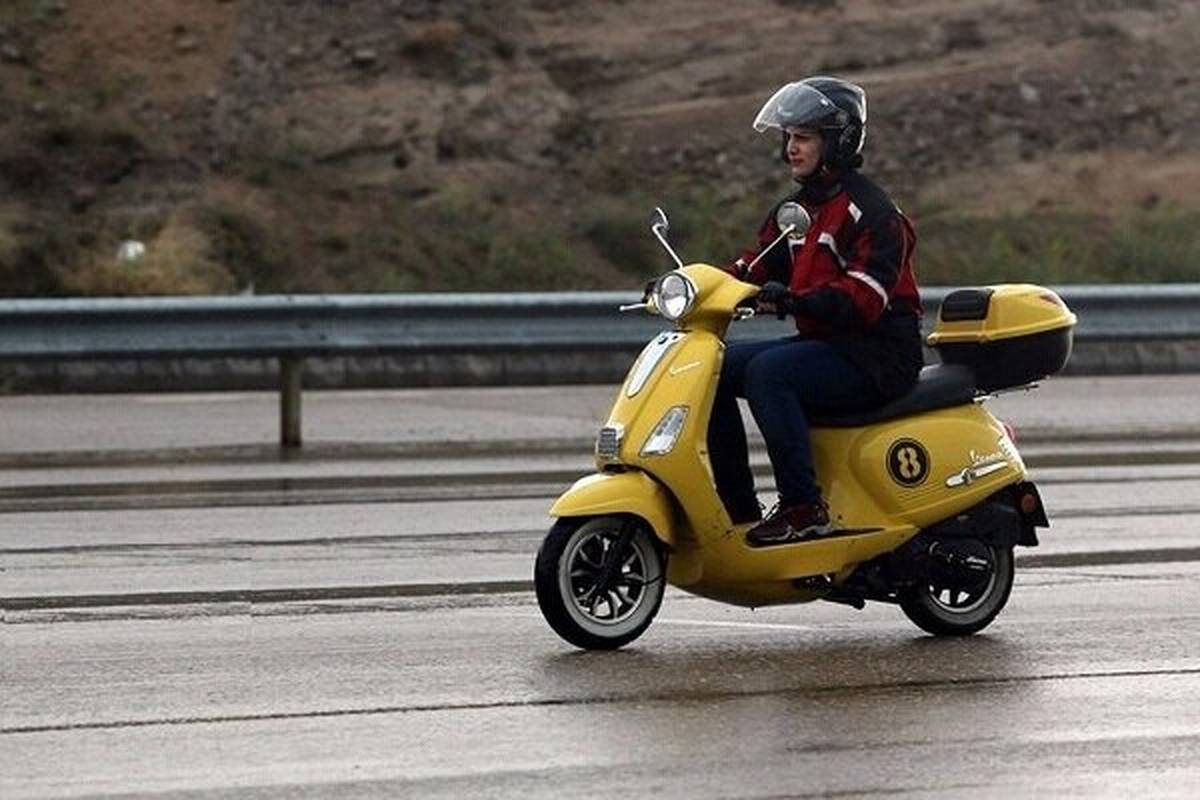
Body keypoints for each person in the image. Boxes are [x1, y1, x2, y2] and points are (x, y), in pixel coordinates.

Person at [708, 76, 923, 547]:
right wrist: (691, 284)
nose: (790, 148)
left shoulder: (874, 212)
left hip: (878, 354)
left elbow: (864, 299)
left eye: (803, 137)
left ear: (837, 141)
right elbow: (752, 266)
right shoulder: (796, 211)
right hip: (828, 344)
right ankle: (737, 507)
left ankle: (804, 508)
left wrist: (795, 300)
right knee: (711, 368)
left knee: (769, 373)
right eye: (788, 137)